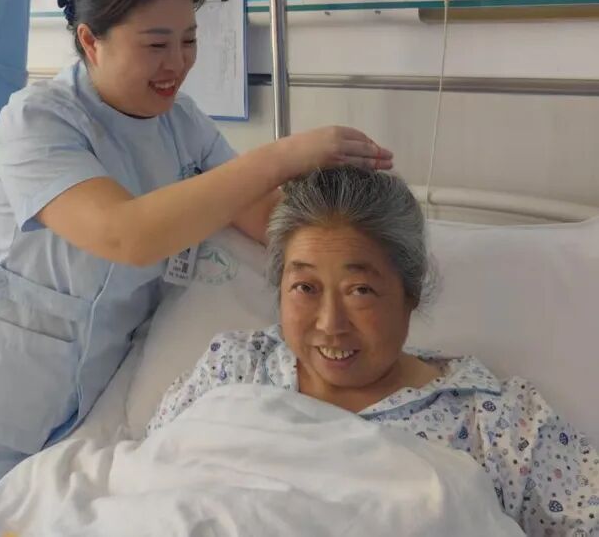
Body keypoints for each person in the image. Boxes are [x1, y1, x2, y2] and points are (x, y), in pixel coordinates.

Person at [0, 0, 393, 496]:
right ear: (90, 42)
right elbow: (126, 235)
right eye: (155, 45)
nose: (177, 64)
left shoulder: (182, 122)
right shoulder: (37, 122)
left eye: (188, 41)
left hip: (99, 403)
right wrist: (284, 155)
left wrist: (358, 267)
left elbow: (260, 214)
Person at [148, 166, 599, 536]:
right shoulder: (234, 369)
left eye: (360, 290)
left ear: (409, 294)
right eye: (305, 287)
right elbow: (148, 489)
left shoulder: (496, 422)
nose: (330, 323)